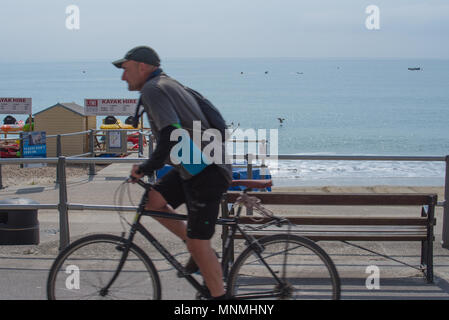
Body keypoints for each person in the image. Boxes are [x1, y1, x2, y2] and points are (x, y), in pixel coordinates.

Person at [112, 46, 232, 299]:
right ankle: (195, 250)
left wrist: (146, 168)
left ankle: (221, 298)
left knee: (201, 243)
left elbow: (170, 133)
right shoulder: (168, 83)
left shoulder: (153, 89)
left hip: (207, 170)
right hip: (193, 166)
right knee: (153, 201)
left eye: (125, 69)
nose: (123, 77)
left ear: (142, 66)